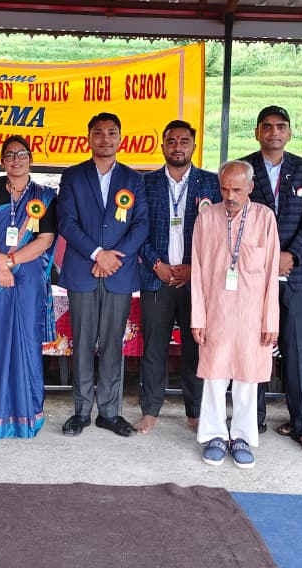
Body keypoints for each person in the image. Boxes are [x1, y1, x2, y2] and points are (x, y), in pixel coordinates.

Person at [57, 112, 149, 438]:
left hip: (118, 273)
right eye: (98, 132)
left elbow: (141, 224)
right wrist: (98, 254)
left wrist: (113, 258)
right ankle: (81, 411)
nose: (105, 138)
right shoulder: (73, 176)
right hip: (83, 270)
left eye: (111, 132)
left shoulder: (134, 179)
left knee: (112, 344)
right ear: (89, 138)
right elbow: (66, 222)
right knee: (82, 343)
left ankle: (110, 412)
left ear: (120, 138)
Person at [242, 106, 302, 452]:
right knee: (254, 348)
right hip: (253, 276)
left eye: (280, 127)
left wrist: (292, 255)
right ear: (257, 132)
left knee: (297, 351)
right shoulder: (243, 168)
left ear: (289, 133)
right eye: (267, 127)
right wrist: (264, 260)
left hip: (295, 274)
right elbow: (236, 219)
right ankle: (251, 421)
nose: (273, 132)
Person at [190, 162, 280, 468]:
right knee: (214, 377)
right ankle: (215, 435)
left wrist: (270, 319)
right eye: (225, 189)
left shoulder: (265, 218)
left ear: (250, 188)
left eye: (237, 190)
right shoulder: (206, 218)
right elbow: (197, 272)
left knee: (247, 378)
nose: (230, 196)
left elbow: (271, 274)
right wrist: (198, 317)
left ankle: (241, 437)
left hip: (251, 315)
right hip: (215, 312)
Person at [0, 135, 58, 438]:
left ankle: (24, 414)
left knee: (25, 342)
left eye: (21, 154)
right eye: (10, 155)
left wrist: (11, 261)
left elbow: (45, 239)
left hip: (27, 277)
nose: (16, 160)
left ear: (31, 158)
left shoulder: (45, 196)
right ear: (2, 161)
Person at [137, 120, 220, 433]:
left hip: (196, 281)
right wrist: (156, 263)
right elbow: (137, 230)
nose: (177, 147)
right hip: (156, 277)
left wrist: (193, 268)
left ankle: (195, 412)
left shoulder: (211, 183)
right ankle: (150, 410)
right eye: (171, 141)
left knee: (195, 346)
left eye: (184, 141)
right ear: (162, 146)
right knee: (153, 347)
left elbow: (219, 235)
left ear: (194, 146)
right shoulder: (145, 183)